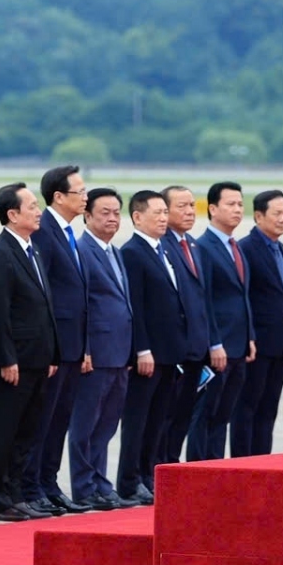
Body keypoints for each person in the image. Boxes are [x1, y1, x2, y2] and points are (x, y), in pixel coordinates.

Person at [0, 183, 61, 522]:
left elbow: (44, 307)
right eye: (31, 206)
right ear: (12, 214)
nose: (39, 210)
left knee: (28, 431)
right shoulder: (0, 253)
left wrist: (53, 353)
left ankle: (16, 494)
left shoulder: (33, 249)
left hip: (39, 359)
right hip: (15, 361)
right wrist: (6, 358)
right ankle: (0, 499)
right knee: (5, 431)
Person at [23, 165, 90, 516]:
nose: (86, 197)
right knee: (43, 420)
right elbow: (42, 294)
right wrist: (49, 347)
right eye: (79, 191)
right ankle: (32, 486)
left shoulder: (67, 232)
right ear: (59, 196)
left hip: (73, 345)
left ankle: (49, 483)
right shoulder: (44, 231)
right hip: (54, 346)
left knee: (60, 419)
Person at [69, 188, 138, 510]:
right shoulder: (82, 251)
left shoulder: (115, 252)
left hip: (119, 352)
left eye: (116, 213)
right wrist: (85, 350)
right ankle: (84, 487)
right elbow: (82, 306)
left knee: (108, 423)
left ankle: (100, 482)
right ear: (87, 216)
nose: (112, 219)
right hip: (96, 353)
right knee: (86, 423)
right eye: (104, 212)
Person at [116, 190, 183, 505]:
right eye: (156, 212)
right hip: (149, 354)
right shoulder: (133, 252)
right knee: (138, 419)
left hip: (170, 352)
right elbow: (136, 307)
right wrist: (141, 349)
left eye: (164, 212)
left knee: (158, 419)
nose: (162, 217)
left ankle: (146, 476)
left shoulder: (163, 250)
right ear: (137, 217)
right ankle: (129, 481)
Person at [187, 181, 255, 461]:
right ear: (212, 209)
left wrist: (250, 335)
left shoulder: (234, 247)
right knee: (204, 414)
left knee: (223, 416)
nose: (237, 210)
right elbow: (205, 301)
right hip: (218, 347)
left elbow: (242, 296)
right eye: (230, 204)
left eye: (240, 204)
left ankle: (215, 471)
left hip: (239, 345)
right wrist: (214, 342)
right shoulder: (204, 247)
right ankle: (197, 470)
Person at [233, 190, 283, 457]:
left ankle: (262, 462)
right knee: (247, 407)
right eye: (277, 213)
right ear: (259, 216)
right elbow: (244, 297)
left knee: (268, 409)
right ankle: (243, 463)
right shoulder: (246, 248)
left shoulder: (281, 249)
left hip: (281, 342)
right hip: (257, 343)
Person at [160, 185, 220, 464]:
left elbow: (203, 301)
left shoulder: (193, 246)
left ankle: (170, 470)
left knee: (182, 419)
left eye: (191, 205)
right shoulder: (163, 246)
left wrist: (211, 343)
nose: (189, 212)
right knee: (166, 419)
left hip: (197, 351)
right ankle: (155, 473)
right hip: (176, 352)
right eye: (180, 206)